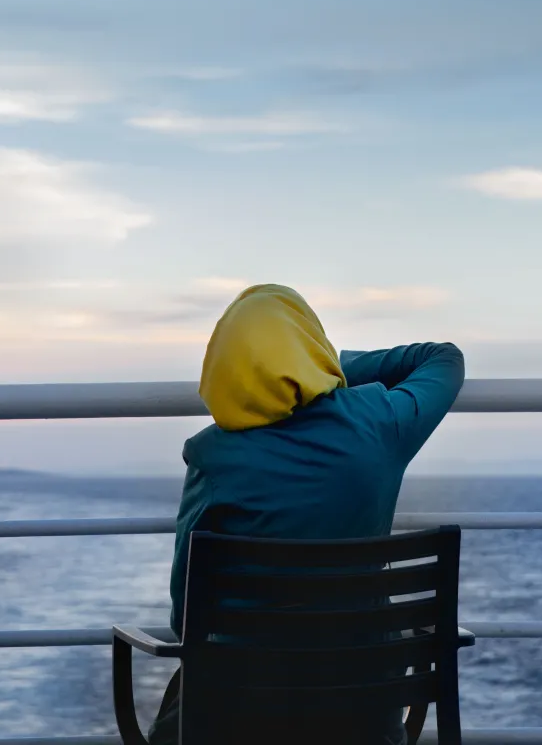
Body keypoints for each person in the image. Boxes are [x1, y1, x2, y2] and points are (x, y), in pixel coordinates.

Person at [149, 282, 465, 745]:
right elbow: (445, 359)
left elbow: (186, 616)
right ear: (311, 347)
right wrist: (332, 367)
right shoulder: (380, 421)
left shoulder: (213, 455)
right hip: (365, 711)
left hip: (240, 716)